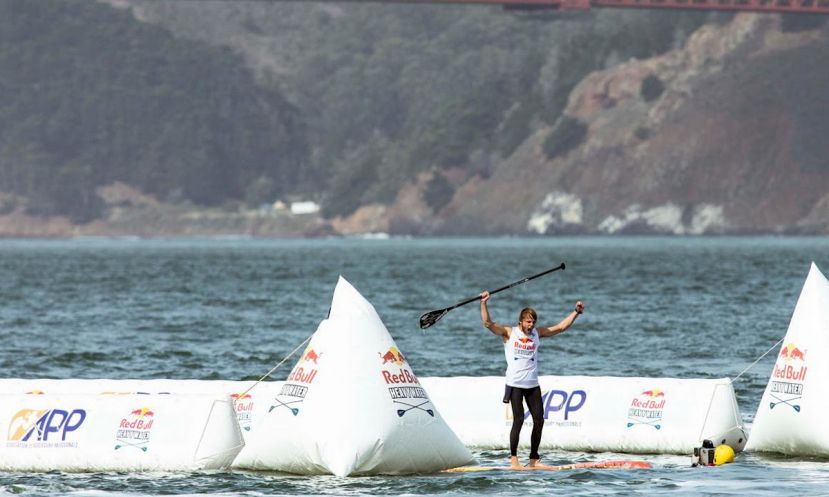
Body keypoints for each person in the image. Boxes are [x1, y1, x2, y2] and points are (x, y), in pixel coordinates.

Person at [480, 290, 584, 469]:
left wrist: (576, 312)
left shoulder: (537, 333)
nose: (531, 325)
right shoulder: (509, 333)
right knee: (518, 420)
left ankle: (534, 459)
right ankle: (514, 460)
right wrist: (483, 303)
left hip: (532, 385)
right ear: (520, 321)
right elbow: (488, 323)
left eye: (533, 321)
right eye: (528, 321)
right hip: (515, 385)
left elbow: (560, 328)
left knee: (539, 420)